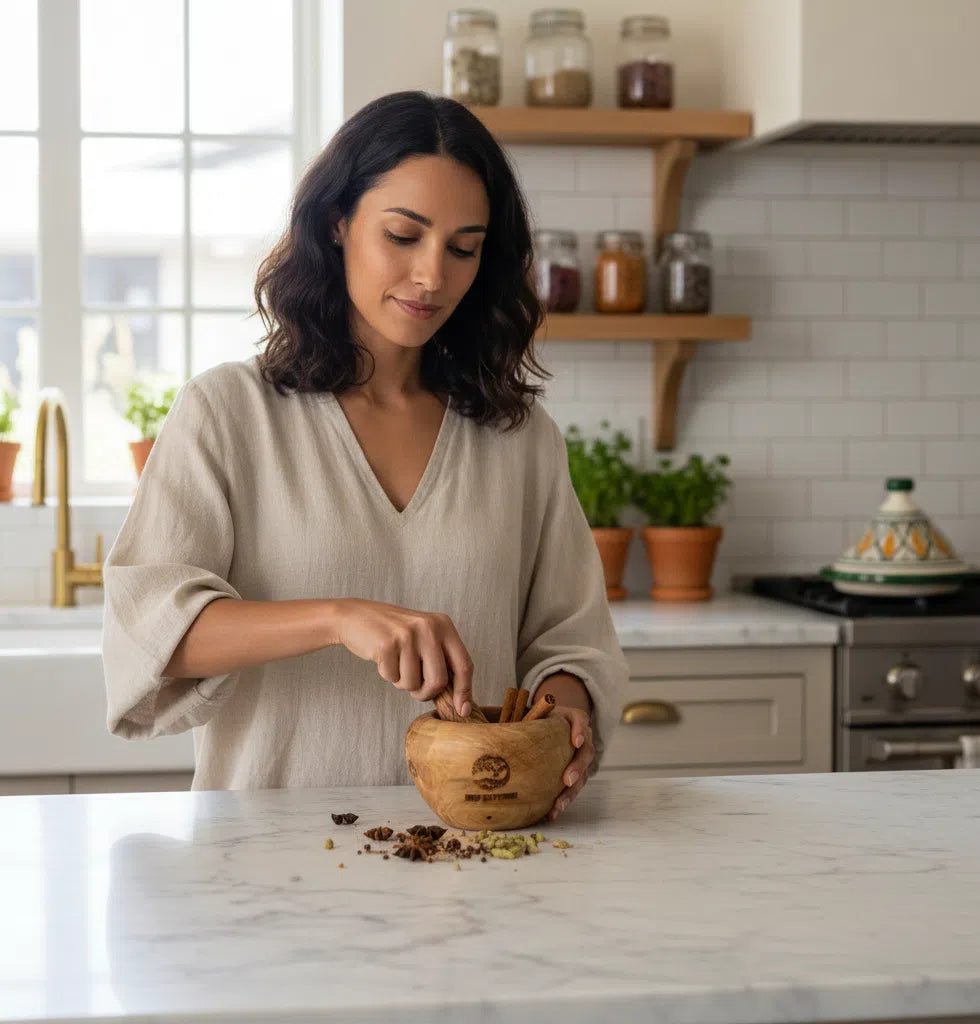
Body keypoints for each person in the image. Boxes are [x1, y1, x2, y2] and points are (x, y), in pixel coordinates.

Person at [102, 91, 628, 819]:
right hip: (267, 864)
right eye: (404, 235)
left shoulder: (518, 438)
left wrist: (565, 710)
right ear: (338, 222)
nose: (432, 276)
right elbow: (151, 630)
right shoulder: (229, 414)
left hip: (478, 868)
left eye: (463, 248)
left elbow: (570, 641)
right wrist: (337, 618)